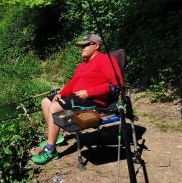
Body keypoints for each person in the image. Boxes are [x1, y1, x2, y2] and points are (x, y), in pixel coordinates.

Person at [31, 33, 124, 165]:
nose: (82, 48)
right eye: (81, 46)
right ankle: (56, 137)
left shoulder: (106, 59)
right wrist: (62, 93)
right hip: (77, 97)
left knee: (55, 107)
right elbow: (72, 83)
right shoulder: (82, 65)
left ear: (96, 46)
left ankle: (50, 150)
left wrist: (88, 92)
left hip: (94, 101)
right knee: (46, 101)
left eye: (85, 45)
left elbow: (117, 85)